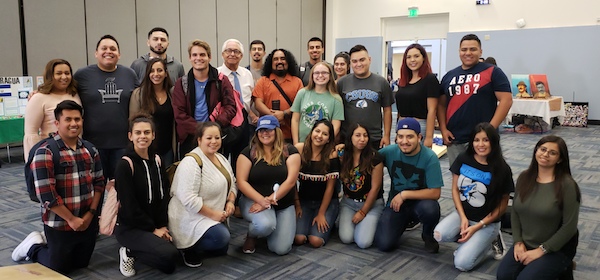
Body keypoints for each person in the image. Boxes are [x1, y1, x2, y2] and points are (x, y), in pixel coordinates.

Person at [12, 100, 105, 274]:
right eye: (68, 119)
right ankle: (33, 246)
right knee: (59, 268)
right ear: (57, 123)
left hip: (87, 220)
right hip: (60, 223)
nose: (73, 124)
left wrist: (90, 215)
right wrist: (71, 219)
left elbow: (99, 183)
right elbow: (47, 195)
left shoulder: (90, 149)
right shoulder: (45, 152)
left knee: (81, 264)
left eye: (77, 119)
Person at [497, 136, 580, 280]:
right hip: (526, 243)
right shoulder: (524, 177)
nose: (546, 154)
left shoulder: (567, 185)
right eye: (543, 149)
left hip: (556, 248)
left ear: (560, 159)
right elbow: (515, 212)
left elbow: (569, 227)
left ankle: (563, 266)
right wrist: (518, 242)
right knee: (503, 276)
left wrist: (541, 250)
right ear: (536, 151)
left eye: (553, 153)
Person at [433, 123, 513, 271]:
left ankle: (491, 239)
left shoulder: (502, 169)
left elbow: (503, 205)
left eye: (486, 140)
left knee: (462, 264)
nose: (480, 144)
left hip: (487, 222)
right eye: (476, 140)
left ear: (493, 142)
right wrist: (463, 217)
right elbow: (455, 190)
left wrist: (478, 226)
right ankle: (474, 241)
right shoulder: (464, 158)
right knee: (439, 235)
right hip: (463, 215)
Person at [114, 114, 178, 277]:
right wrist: (153, 229)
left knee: (170, 265)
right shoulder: (125, 164)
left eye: (147, 132)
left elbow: (164, 196)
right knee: (169, 253)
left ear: (153, 135)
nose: (143, 136)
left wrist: (162, 225)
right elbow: (129, 207)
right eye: (138, 132)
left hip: (155, 224)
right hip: (131, 227)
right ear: (131, 136)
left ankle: (143, 249)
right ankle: (129, 251)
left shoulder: (158, 160)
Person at [168, 122, 237, 267]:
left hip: (211, 215)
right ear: (199, 140)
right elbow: (189, 199)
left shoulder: (221, 158)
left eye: (217, 138)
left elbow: (233, 183)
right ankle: (186, 248)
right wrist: (214, 215)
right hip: (190, 217)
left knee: (221, 248)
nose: (214, 141)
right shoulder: (191, 163)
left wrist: (230, 201)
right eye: (209, 138)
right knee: (221, 238)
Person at [437, 34, 512, 166]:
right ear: (459, 51)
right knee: (459, 177)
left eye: (473, 49)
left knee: (486, 177)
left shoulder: (493, 71)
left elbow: (506, 100)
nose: (468, 53)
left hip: (483, 139)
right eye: (464, 50)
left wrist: (490, 129)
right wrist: (443, 129)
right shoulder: (449, 76)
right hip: (455, 138)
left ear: (480, 51)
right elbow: (441, 105)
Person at [74, 34, 138, 185]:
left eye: (113, 49)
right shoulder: (82, 75)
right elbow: (61, 91)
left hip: (122, 145)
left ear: (119, 54)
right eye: (104, 48)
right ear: (96, 53)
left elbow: (143, 96)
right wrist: (40, 92)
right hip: (92, 145)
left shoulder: (129, 74)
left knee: (121, 191)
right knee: (95, 191)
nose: (108, 51)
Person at [375, 118, 443, 253]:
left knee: (430, 209)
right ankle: (403, 222)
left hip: (420, 203)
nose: (404, 141)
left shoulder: (430, 157)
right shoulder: (389, 152)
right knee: (384, 244)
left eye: (410, 137)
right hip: (396, 204)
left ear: (419, 137)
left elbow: (435, 192)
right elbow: (366, 159)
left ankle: (428, 235)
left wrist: (404, 194)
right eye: (400, 136)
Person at [236, 115, 301, 255]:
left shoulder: (290, 152)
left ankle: (270, 229)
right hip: (253, 200)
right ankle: (253, 234)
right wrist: (262, 201)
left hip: (283, 204)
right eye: (261, 130)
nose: (264, 133)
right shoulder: (248, 153)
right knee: (266, 225)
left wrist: (269, 200)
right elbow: (241, 182)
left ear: (277, 130)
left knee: (280, 249)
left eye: (269, 129)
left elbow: (290, 181)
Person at [172, 39, 236, 157]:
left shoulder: (221, 80)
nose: (198, 58)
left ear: (209, 57)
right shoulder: (181, 83)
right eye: (194, 55)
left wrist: (214, 126)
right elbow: (179, 113)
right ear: (190, 58)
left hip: (215, 138)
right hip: (190, 138)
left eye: (202, 54)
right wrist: (200, 130)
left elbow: (231, 107)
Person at [337, 44, 394, 149]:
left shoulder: (381, 82)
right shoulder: (342, 83)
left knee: (374, 165)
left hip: (373, 138)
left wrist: (387, 135)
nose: (358, 64)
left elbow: (387, 110)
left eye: (362, 60)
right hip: (348, 138)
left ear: (369, 59)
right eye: (354, 61)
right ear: (350, 64)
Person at [294, 120, 339, 248]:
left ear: (329, 139)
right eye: (317, 131)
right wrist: (297, 205)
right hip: (304, 201)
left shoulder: (331, 154)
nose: (319, 136)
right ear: (311, 132)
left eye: (325, 134)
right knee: (299, 238)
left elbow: (330, 188)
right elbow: (291, 182)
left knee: (315, 241)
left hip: (327, 202)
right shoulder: (299, 149)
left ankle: (330, 223)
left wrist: (321, 213)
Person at [338, 123, 384, 249]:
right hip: (348, 202)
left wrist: (363, 212)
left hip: (371, 204)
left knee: (363, 243)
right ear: (350, 137)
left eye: (365, 136)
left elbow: (375, 188)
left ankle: (377, 222)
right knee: (346, 238)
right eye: (357, 135)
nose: (362, 139)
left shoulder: (375, 158)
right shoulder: (342, 154)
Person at [24, 59, 81, 159]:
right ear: (50, 76)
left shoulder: (74, 95)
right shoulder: (38, 98)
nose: (64, 77)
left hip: (76, 151)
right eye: (59, 73)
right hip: (51, 153)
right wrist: (34, 159)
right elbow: (31, 134)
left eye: (67, 73)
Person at [129, 58, 176, 167]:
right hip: (145, 149)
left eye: (159, 70)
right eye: (152, 71)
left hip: (167, 150)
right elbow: (133, 122)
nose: (156, 74)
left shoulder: (172, 93)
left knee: (166, 182)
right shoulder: (138, 94)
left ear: (165, 73)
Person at [217, 39, 258, 163]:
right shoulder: (216, 74)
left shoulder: (247, 74)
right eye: (228, 51)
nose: (232, 54)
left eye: (236, 51)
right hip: (224, 121)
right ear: (223, 54)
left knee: (241, 157)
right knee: (221, 157)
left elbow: (249, 99)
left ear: (241, 55)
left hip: (243, 122)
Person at [252, 49, 303, 142]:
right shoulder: (263, 81)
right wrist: (273, 117)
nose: (279, 61)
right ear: (270, 63)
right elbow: (258, 103)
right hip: (266, 135)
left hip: (290, 135)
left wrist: (284, 114)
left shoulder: (297, 82)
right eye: (276, 59)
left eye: (282, 58)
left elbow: (300, 105)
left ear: (288, 62)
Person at [395, 43, 440, 148]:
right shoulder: (403, 81)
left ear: (423, 58)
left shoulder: (430, 79)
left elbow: (432, 110)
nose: (412, 60)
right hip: (402, 126)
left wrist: (429, 137)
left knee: (419, 161)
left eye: (416, 56)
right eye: (409, 57)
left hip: (420, 126)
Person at [290, 62, 344, 144]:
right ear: (312, 76)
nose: (320, 75)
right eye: (317, 73)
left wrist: (325, 143)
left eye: (324, 73)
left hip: (323, 146)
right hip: (302, 143)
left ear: (330, 76)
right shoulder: (302, 93)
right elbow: (295, 120)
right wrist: (296, 143)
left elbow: (335, 127)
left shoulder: (336, 99)